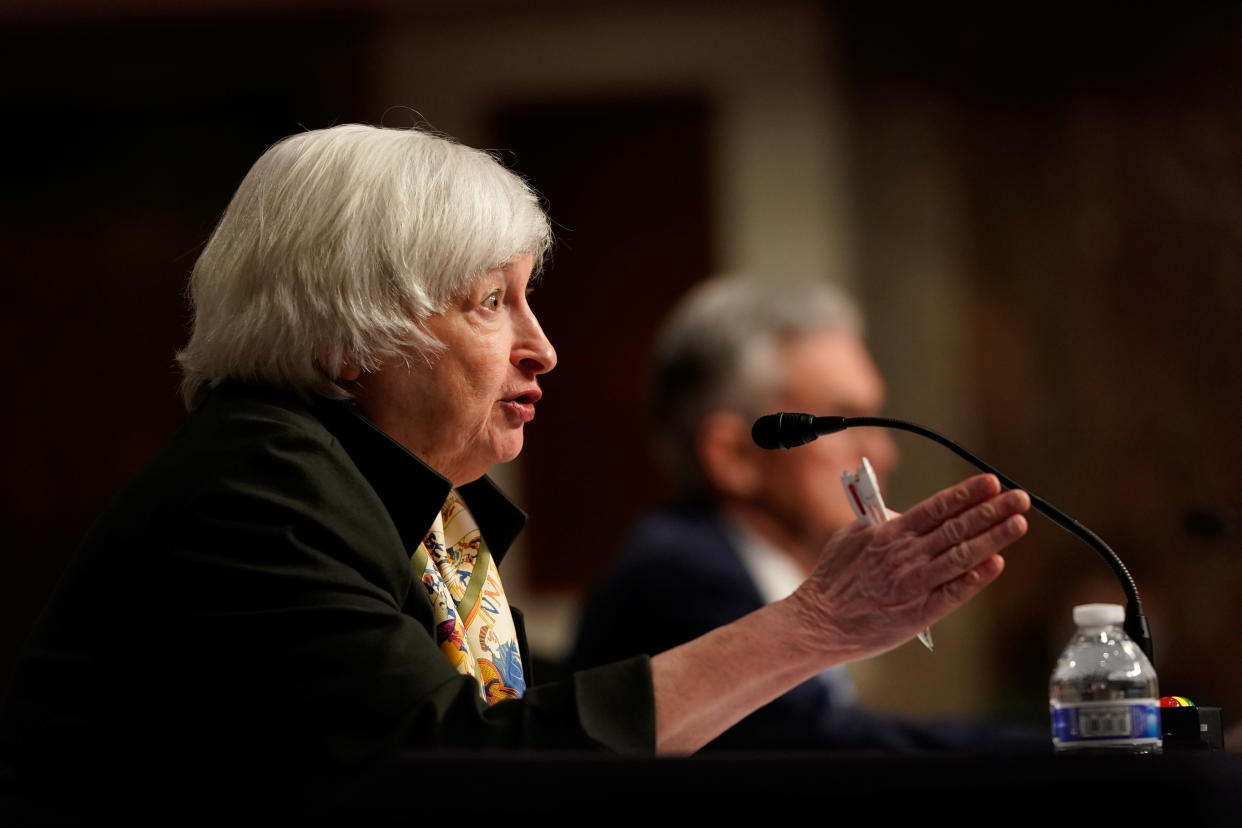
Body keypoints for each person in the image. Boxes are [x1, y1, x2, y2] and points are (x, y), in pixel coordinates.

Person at [0, 126, 1030, 787]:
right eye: (492, 302)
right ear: (349, 332)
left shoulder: (405, 499)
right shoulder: (257, 491)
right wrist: (812, 626)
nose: (543, 346)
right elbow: (464, 769)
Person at [572, 275, 1037, 750]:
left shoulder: (749, 560)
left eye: (876, 418)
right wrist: (1068, 748)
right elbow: (828, 749)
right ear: (732, 455)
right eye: (846, 420)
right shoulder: (677, 575)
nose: (883, 453)